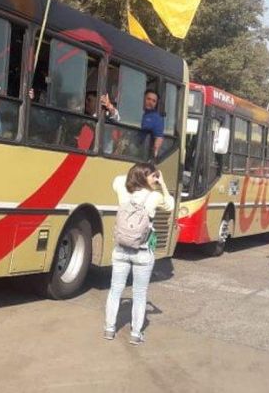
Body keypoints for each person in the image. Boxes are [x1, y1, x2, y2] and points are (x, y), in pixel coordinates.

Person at [104, 162, 174, 345]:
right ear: (144, 177)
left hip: (120, 250)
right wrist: (163, 183)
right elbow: (171, 206)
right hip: (142, 252)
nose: (155, 178)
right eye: (153, 176)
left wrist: (136, 174)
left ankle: (109, 329)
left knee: (115, 290)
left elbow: (118, 179)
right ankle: (136, 333)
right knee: (140, 293)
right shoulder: (155, 197)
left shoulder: (122, 190)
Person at [140, 90, 164, 158]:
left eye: (154, 101)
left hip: (141, 153)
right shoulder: (139, 113)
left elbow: (159, 139)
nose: (150, 102)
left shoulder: (156, 118)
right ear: (144, 99)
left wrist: (154, 157)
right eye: (148, 99)